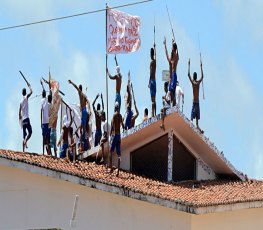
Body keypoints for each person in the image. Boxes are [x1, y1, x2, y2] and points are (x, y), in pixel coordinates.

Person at [68, 80, 90, 150]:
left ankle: (84, 140)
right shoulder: (84, 95)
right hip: (84, 111)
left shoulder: (80, 93)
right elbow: (87, 101)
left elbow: (76, 87)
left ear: (80, 89)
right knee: (82, 127)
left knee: (83, 127)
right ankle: (83, 141)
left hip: (83, 111)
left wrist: (71, 82)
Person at [188, 58, 204, 132]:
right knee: (196, 115)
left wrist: (188, 65)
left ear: (193, 77)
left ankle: (196, 126)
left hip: (195, 102)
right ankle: (196, 125)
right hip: (196, 102)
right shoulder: (197, 83)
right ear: (196, 76)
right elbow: (202, 76)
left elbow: (188, 75)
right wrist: (201, 67)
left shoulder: (194, 83)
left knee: (195, 115)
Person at [109, 102, 124, 176]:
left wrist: (110, 134)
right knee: (119, 154)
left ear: (115, 108)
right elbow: (123, 126)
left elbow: (112, 127)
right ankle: (118, 171)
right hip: (119, 135)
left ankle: (111, 168)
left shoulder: (114, 115)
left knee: (111, 151)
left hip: (115, 135)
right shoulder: (120, 116)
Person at [163, 36, 179, 106]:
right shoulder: (171, 60)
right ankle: (170, 105)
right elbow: (166, 53)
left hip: (174, 76)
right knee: (170, 92)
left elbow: (174, 52)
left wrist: (173, 42)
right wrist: (165, 45)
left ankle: (174, 105)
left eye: (172, 49)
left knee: (172, 92)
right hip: (170, 78)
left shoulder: (176, 57)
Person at [19, 83, 33, 152]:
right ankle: (26, 141)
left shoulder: (20, 102)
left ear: (22, 93)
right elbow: (31, 92)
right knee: (30, 132)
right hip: (27, 118)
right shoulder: (26, 97)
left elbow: (19, 113)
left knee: (24, 135)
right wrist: (29, 86)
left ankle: (23, 150)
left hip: (23, 120)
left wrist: (20, 121)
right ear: (25, 93)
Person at [41, 90, 51, 155]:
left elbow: (41, 112)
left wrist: (40, 122)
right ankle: (49, 151)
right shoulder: (48, 103)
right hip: (48, 122)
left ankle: (44, 152)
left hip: (44, 122)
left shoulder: (42, 101)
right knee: (47, 138)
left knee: (43, 137)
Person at [149, 45, 156, 117]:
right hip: (155, 81)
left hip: (152, 80)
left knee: (152, 99)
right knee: (155, 98)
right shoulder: (155, 61)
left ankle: (152, 114)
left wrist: (149, 82)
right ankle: (154, 112)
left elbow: (151, 72)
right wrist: (155, 48)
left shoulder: (151, 62)